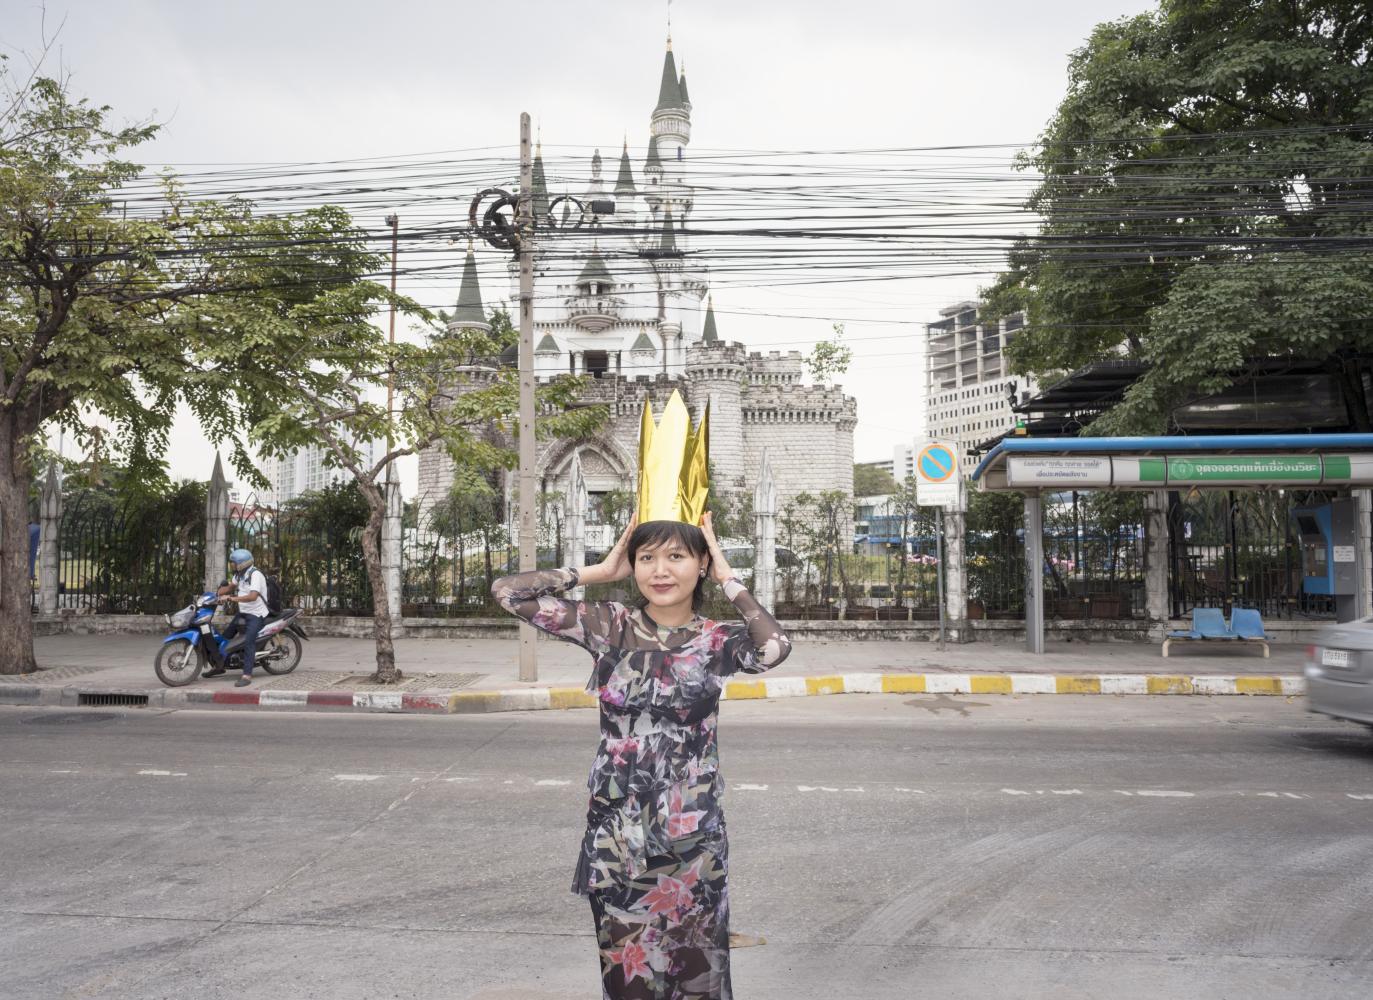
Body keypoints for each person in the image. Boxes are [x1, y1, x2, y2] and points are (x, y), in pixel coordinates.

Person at [491, 510, 791, 999]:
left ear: (700, 565)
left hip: (692, 836)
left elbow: (774, 647)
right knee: (627, 969)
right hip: (618, 832)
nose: (661, 570)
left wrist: (730, 576)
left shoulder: (716, 639)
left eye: (677, 556)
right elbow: (508, 591)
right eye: (647, 557)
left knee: (696, 973)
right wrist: (599, 571)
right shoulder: (609, 625)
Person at [211, 548, 269, 687]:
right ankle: (219, 666)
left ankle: (247, 675)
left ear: (242, 564)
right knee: (225, 637)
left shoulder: (256, 575)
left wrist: (231, 598)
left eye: (234, 563)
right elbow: (230, 587)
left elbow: (252, 596)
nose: (232, 565)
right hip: (243, 612)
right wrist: (216, 593)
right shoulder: (239, 575)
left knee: (249, 642)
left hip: (256, 614)